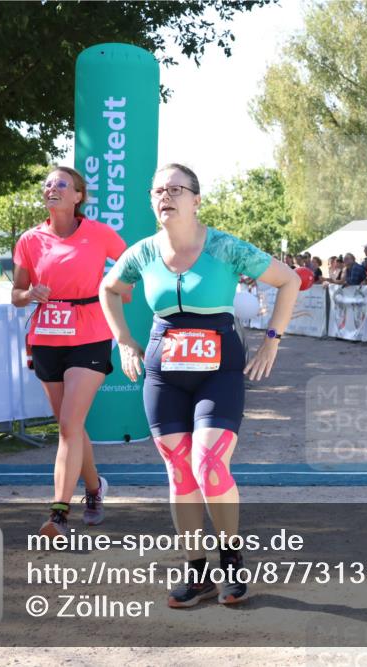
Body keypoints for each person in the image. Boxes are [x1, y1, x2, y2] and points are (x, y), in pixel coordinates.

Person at [100, 163, 299, 607]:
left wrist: (272, 341)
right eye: (158, 191)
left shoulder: (226, 248)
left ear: (196, 200)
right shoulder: (143, 252)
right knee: (180, 470)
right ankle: (197, 571)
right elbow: (108, 288)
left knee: (209, 462)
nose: (165, 197)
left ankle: (230, 561)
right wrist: (125, 342)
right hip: (163, 370)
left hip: (219, 369)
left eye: (175, 189)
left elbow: (290, 280)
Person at [12, 166, 127, 538]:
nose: (52, 188)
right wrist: (29, 295)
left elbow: (130, 269)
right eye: (47, 184)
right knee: (71, 425)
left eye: (61, 184)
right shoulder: (29, 240)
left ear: (78, 195)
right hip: (47, 335)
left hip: (90, 332)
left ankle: (58, 513)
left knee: (67, 426)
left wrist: (119, 289)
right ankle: (95, 489)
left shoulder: (99, 233)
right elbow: (16, 294)